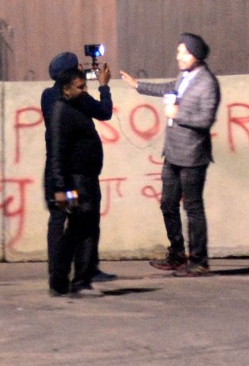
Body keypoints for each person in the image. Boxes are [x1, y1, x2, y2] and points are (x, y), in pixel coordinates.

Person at [121, 32, 220, 275]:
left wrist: (178, 115)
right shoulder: (184, 76)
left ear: (195, 55)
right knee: (167, 204)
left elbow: (206, 119)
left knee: (193, 208)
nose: (179, 56)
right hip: (173, 153)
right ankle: (177, 253)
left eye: (183, 52)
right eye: (179, 51)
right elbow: (169, 88)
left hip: (192, 155)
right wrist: (138, 86)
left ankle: (199, 260)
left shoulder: (207, 83)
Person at [42, 51, 115, 284]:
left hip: (65, 173)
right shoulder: (72, 102)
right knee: (79, 221)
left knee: (68, 221)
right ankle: (73, 272)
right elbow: (104, 112)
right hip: (71, 176)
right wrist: (103, 87)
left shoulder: (53, 96)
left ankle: (64, 271)